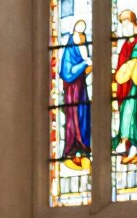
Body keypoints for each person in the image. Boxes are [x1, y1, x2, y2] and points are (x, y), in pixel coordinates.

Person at [113, 8, 137, 166]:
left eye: (124, 23)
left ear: (131, 22)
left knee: (132, 112)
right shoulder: (128, 42)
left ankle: (132, 144)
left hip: (135, 86)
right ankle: (133, 148)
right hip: (126, 86)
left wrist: (126, 72)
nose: (123, 27)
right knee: (127, 112)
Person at [59, 19, 92, 168]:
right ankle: (72, 149)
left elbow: (85, 67)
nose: (81, 38)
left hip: (81, 88)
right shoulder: (69, 49)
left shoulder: (81, 47)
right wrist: (85, 64)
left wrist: (86, 65)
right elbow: (66, 72)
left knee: (84, 115)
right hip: (72, 91)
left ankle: (84, 147)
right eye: (79, 34)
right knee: (74, 118)